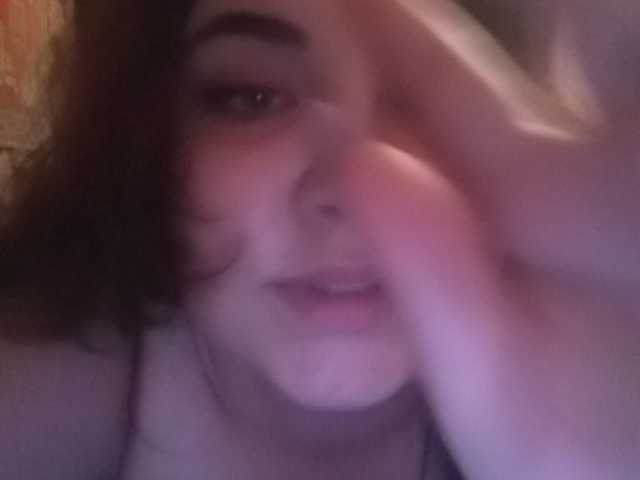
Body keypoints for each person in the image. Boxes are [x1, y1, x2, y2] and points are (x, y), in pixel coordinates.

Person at [1, 0, 638, 479]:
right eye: (251, 97)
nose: (345, 191)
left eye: (418, 104)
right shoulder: (74, 370)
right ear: (150, 140)